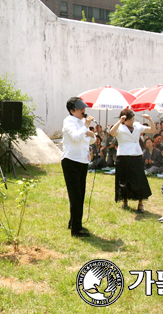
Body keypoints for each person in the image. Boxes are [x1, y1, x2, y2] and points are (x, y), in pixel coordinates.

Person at [61, 97, 95, 238]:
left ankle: (75, 222)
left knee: (80, 194)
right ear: (72, 110)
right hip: (71, 161)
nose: (83, 111)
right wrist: (86, 127)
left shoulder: (82, 122)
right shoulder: (69, 121)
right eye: (80, 109)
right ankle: (76, 230)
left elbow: (89, 140)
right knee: (75, 195)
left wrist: (92, 135)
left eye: (84, 108)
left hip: (82, 161)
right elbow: (75, 137)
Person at [110, 109, 155, 213]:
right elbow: (112, 133)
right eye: (130, 120)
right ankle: (124, 201)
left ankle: (140, 203)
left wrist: (150, 119)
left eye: (133, 119)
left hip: (136, 155)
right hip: (123, 156)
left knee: (139, 179)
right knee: (124, 179)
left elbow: (152, 130)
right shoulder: (119, 127)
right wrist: (119, 121)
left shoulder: (137, 126)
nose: (132, 121)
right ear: (124, 120)